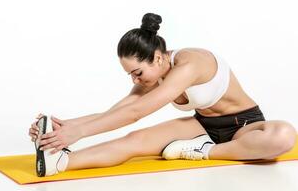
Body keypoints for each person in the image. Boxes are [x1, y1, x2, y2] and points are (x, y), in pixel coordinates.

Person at [28, 13, 297, 176]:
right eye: (130, 75)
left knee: (284, 135)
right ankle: (61, 162)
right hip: (202, 125)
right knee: (134, 140)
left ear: (157, 58)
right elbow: (119, 111)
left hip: (244, 127)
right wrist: (65, 128)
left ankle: (205, 152)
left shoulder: (189, 64)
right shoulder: (154, 73)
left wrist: (81, 133)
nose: (135, 80)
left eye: (137, 72)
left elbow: (136, 113)